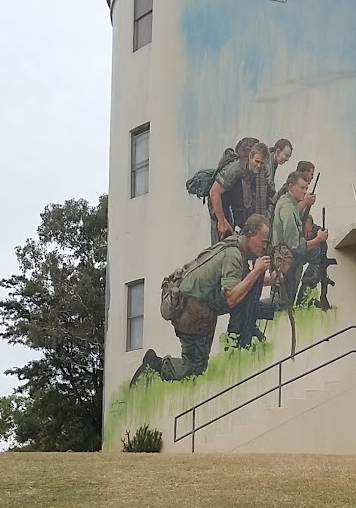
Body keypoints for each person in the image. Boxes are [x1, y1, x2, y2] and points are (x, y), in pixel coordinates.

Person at [130, 216, 276, 383]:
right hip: (190, 311)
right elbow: (231, 297)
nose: (264, 246)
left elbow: (239, 282)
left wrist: (267, 281)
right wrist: (257, 272)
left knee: (198, 367)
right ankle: (155, 365)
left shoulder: (236, 245)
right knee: (193, 370)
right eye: (263, 241)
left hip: (196, 308)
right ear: (250, 234)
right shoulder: (233, 255)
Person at [271, 172, 329, 307]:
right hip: (286, 259)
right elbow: (294, 246)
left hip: (285, 258)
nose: (305, 192)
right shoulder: (288, 208)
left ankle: (305, 294)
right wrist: (317, 240)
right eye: (302, 188)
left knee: (285, 301)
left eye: (306, 188)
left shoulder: (288, 203)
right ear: (291, 186)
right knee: (283, 303)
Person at [208, 141, 269, 241]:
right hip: (219, 205)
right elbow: (214, 192)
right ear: (250, 156)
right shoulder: (235, 169)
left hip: (236, 204)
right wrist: (221, 221)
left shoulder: (260, 171)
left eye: (262, 163)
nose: (258, 166)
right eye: (256, 161)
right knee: (220, 244)